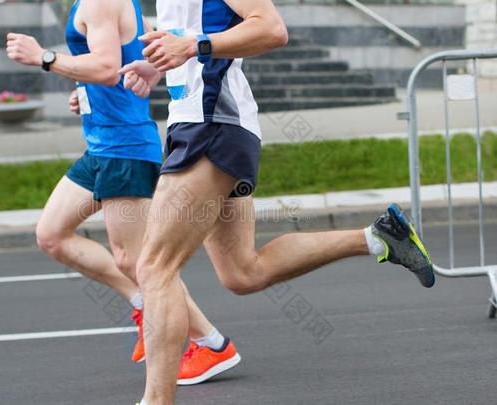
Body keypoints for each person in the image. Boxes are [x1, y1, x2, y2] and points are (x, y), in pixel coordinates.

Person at [119, 0, 436, 403]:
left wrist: (193, 47)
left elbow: (271, 28)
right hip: (202, 122)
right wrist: (162, 65)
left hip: (213, 124)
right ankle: (379, 237)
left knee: (153, 266)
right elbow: (191, 41)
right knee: (242, 273)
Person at [5, 0, 241, 385]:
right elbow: (118, 69)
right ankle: (143, 304)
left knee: (137, 262)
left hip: (124, 148)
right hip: (101, 145)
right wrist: (86, 96)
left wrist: (44, 57)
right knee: (52, 235)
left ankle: (212, 344)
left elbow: (105, 66)